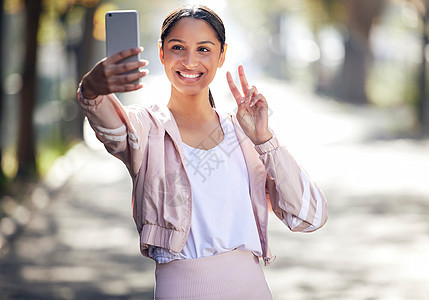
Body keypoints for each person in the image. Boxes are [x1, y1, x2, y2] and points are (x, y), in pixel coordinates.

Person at [77, 5, 328, 300]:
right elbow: (112, 131)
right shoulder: (146, 129)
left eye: (204, 49)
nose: (190, 60)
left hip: (252, 289)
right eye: (178, 47)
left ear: (222, 55)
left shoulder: (244, 135)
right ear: (161, 53)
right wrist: (91, 90)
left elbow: (310, 216)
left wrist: (264, 140)